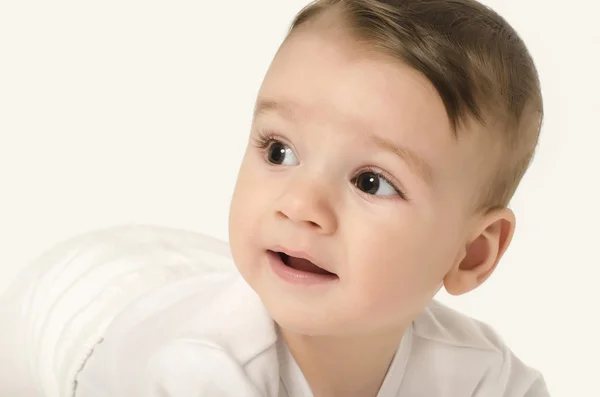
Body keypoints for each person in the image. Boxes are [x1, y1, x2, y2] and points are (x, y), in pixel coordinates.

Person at [73, 0, 549, 396]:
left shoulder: (478, 374)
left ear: (472, 252)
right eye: (279, 151)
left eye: (371, 182)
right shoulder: (200, 373)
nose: (300, 205)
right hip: (79, 310)